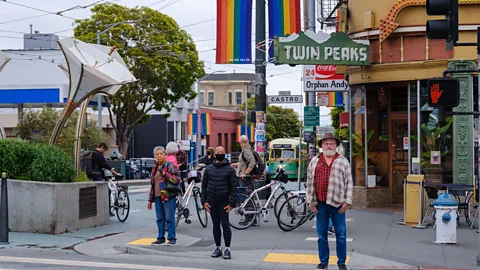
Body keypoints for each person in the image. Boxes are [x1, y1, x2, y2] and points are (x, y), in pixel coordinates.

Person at [306, 133, 353, 270]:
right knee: (321, 235)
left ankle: (341, 263)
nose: (329, 146)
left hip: (338, 204)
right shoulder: (314, 161)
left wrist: (347, 201)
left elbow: (349, 182)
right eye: (326, 143)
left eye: (332, 143)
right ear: (321, 145)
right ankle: (323, 262)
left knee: (341, 235)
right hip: (320, 204)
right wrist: (311, 201)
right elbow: (309, 182)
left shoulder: (343, 161)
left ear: (336, 145)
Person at [201, 145, 237, 260]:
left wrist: (232, 203)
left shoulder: (230, 169)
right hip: (212, 202)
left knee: (225, 225)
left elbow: (234, 188)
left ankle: (227, 249)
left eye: (222, 152)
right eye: (218, 152)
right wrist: (204, 202)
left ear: (225, 154)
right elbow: (204, 186)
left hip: (224, 202)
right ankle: (218, 248)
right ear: (215, 154)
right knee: (215, 225)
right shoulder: (209, 169)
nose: (220, 153)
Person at [147, 146, 180, 246]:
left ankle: (172, 239)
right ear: (154, 156)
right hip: (157, 196)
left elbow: (177, 179)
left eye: (161, 153)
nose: (160, 156)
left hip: (168, 195)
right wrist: (150, 199)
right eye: (157, 154)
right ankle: (160, 238)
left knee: (169, 218)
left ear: (165, 154)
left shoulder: (169, 165)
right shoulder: (155, 167)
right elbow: (152, 184)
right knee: (160, 218)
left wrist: (165, 174)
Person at [91, 142, 119, 217]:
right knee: (107, 191)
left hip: (90, 176)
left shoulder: (91, 153)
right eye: (104, 150)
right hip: (97, 176)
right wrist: (115, 172)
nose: (104, 152)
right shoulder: (98, 155)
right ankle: (108, 211)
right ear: (102, 147)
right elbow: (106, 165)